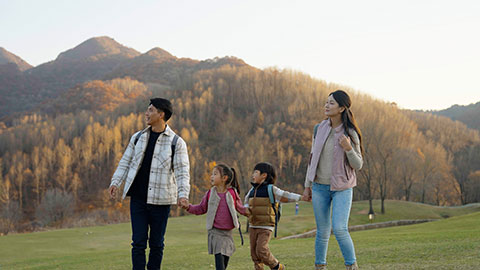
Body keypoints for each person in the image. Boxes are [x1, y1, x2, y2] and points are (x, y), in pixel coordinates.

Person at [108, 98, 190, 270]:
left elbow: (182, 172)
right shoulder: (137, 137)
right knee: (138, 243)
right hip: (138, 198)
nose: (146, 113)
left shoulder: (177, 142)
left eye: (151, 110)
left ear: (161, 114)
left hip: (161, 201)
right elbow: (125, 161)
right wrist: (116, 182)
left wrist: (183, 195)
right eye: (147, 110)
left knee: (157, 244)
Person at [303, 90, 363, 270]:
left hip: (342, 188)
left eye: (331, 103)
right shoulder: (318, 128)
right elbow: (312, 158)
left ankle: (351, 266)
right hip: (319, 187)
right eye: (326, 102)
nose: (326, 106)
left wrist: (348, 149)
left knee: (339, 229)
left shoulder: (350, 133)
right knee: (322, 231)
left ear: (342, 108)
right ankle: (319, 266)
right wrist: (308, 186)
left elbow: (358, 164)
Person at [181, 163, 249, 270]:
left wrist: (251, 212)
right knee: (219, 262)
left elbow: (240, 208)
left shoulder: (232, 193)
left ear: (224, 178)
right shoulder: (210, 193)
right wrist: (188, 207)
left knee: (224, 262)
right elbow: (201, 208)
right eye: (212, 174)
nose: (211, 176)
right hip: (215, 232)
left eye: (215, 174)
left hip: (228, 234)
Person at [245, 162, 303, 270]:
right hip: (253, 225)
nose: (253, 175)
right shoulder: (252, 191)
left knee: (261, 249)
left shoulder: (271, 189)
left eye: (256, 172)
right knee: (254, 253)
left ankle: (276, 266)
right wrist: (245, 209)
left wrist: (301, 197)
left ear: (264, 175)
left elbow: (286, 195)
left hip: (266, 226)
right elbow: (246, 203)